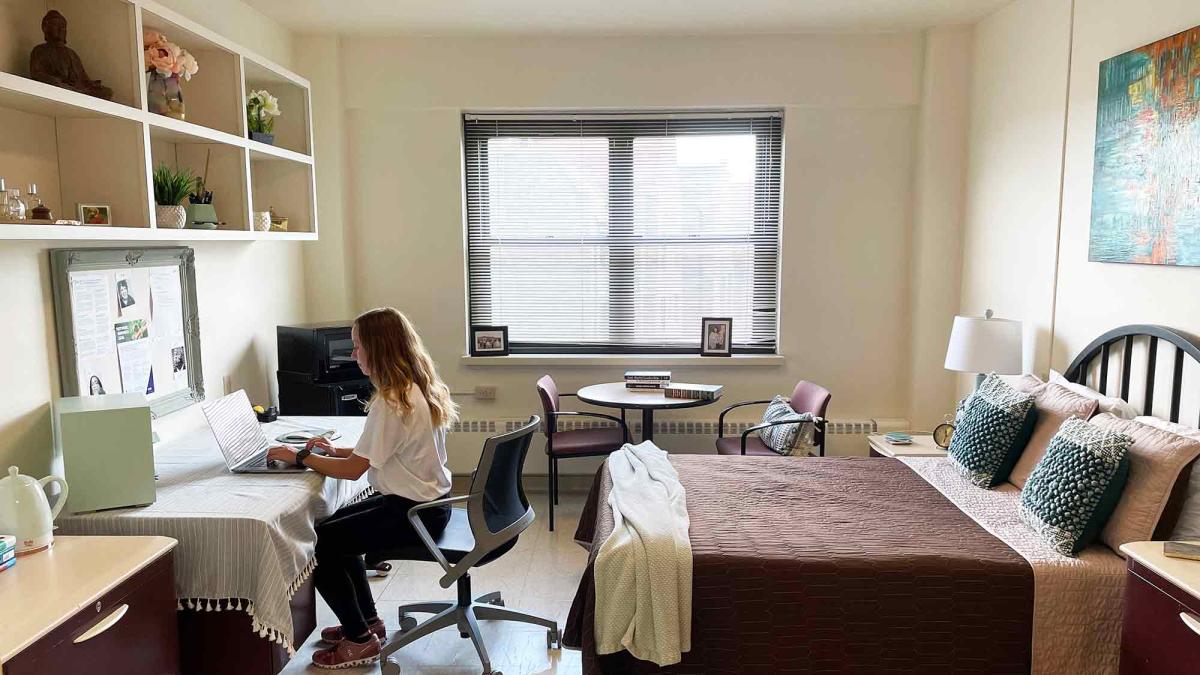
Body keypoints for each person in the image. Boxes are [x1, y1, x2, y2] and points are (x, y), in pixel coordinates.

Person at [266, 308, 456, 669]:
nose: (353, 354)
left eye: (357, 346)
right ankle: (368, 623)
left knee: (321, 545)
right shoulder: (414, 388)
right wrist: (329, 450)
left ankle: (358, 640)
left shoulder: (391, 401)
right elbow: (373, 452)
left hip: (413, 513)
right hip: (428, 504)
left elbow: (354, 471)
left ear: (377, 349)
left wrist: (302, 456)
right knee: (333, 528)